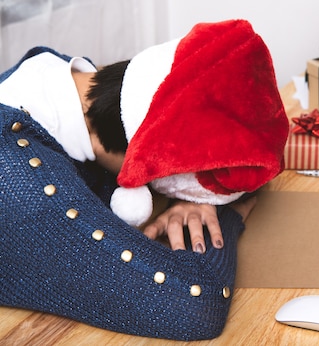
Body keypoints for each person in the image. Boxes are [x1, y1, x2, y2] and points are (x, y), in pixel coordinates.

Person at [0, 20, 289, 340]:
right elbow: (194, 307)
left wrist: (191, 200)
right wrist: (226, 214)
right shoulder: (27, 186)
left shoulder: (58, 79)